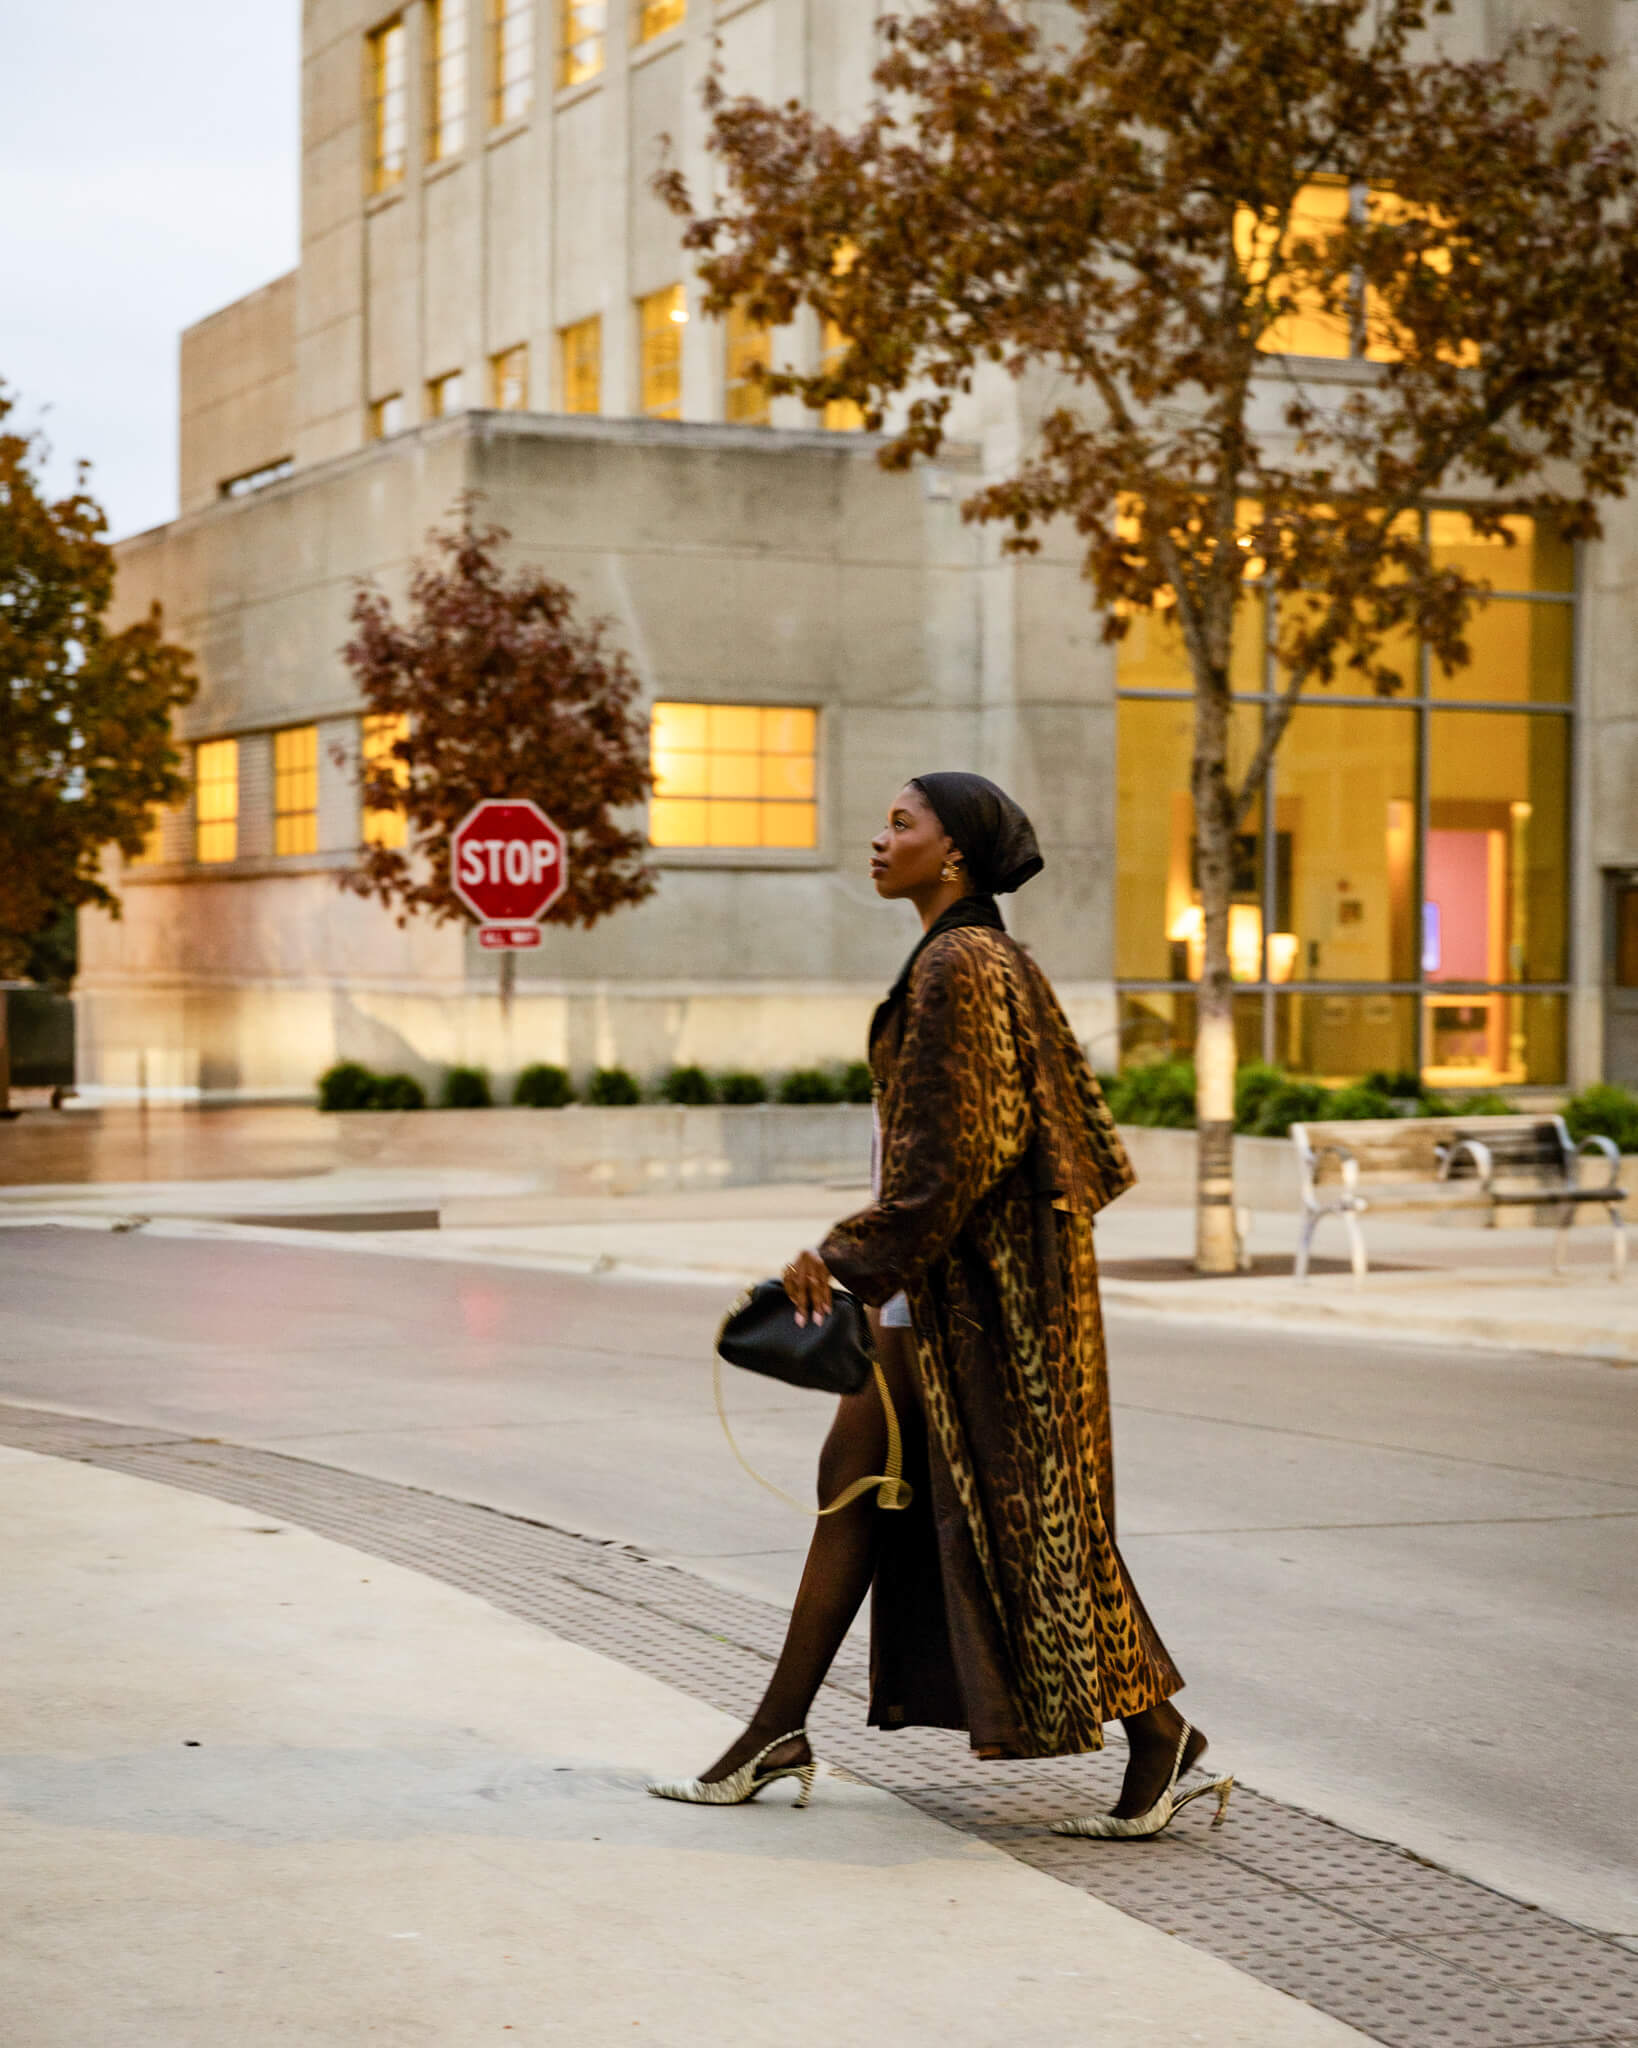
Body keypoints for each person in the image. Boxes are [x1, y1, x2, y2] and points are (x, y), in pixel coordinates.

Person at [649, 773, 1231, 1838]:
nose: (879, 839)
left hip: (985, 1300)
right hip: (941, 1285)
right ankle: (776, 1731)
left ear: (953, 850)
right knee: (857, 1486)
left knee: (1038, 1526)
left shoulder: (964, 963)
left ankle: (1162, 1737)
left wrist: (846, 1253)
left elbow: (964, 1147)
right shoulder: (963, 956)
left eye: (901, 823)